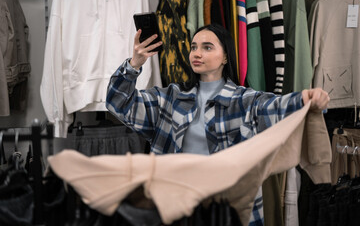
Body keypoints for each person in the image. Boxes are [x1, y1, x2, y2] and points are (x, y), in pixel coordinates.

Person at [106, 23, 330, 225]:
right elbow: (119, 103)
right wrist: (134, 64)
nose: (197, 53)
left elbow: (275, 106)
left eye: (207, 47)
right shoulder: (170, 98)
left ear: (225, 57)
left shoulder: (244, 100)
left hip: (228, 207)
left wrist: (305, 98)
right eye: (194, 47)